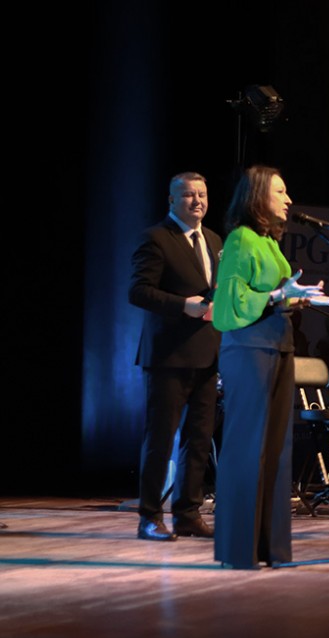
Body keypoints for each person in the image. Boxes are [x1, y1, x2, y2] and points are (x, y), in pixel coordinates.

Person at [211, 164, 329, 569]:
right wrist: (276, 296)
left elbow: (275, 293)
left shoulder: (269, 242)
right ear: (257, 197)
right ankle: (239, 550)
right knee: (248, 447)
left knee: (276, 449)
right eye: (280, 192)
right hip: (249, 349)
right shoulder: (240, 239)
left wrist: (300, 298)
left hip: (278, 344)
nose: (289, 199)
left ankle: (270, 548)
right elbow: (230, 302)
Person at [128, 171, 221, 541]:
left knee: (198, 440)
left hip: (207, 354)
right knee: (161, 439)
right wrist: (184, 305)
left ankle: (187, 513)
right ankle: (150, 516)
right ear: (171, 200)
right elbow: (138, 291)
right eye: (188, 195)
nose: (197, 201)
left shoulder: (213, 239)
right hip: (168, 357)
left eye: (202, 194)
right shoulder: (156, 238)